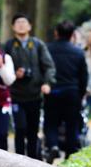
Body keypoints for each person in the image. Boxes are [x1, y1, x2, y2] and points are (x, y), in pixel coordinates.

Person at [4, 15, 56, 159]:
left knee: (32, 131)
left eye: (24, 22)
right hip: (16, 95)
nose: (21, 25)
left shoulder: (38, 45)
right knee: (20, 129)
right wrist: (14, 74)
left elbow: (49, 66)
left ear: (30, 26)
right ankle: (20, 160)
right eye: (18, 23)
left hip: (34, 95)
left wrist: (47, 83)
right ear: (13, 27)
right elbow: (2, 69)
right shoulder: (8, 46)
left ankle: (34, 160)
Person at [43, 21, 88, 160]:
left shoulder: (48, 49)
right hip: (72, 92)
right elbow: (83, 77)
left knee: (51, 122)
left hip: (53, 91)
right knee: (72, 123)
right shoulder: (78, 52)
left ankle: (53, 146)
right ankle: (70, 152)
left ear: (56, 33)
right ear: (72, 34)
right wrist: (80, 94)